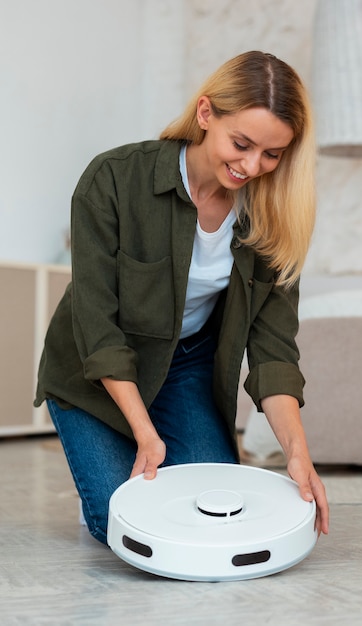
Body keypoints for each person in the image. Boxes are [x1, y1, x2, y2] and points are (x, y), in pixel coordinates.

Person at [35, 50, 329, 545]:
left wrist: (297, 453)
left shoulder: (272, 217)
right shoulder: (113, 179)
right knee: (129, 527)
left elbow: (274, 352)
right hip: (93, 372)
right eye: (242, 143)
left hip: (187, 366)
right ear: (206, 113)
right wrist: (146, 434)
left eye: (272, 154)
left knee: (215, 521)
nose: (252, 166)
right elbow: (97, 325)